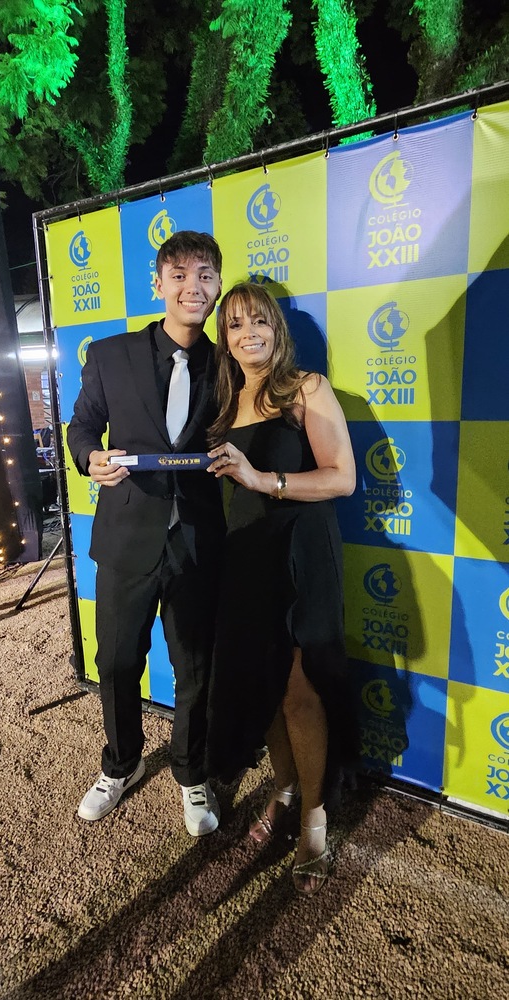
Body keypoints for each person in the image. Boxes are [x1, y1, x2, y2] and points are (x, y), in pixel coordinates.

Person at [67, 231, 226, 836]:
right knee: (116, 661)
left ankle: (191, 772)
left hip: (197, 539)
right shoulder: (111, 354)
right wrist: (90, 458)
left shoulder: (228, 364)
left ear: (217, 285)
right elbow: (81, 426)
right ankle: (121, 764)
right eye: (179, 275)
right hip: (127, 536)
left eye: (205, 275)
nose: (193, 287)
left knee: (195, 667)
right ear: (158, 284)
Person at [205, 283, 358, 896]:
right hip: (246, 558)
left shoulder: (306, 388)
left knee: (300, 692)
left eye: (259, 321)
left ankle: (315, 817)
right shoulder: (224, 402)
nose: (248, 333)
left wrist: (263, 478)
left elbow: (342, 478)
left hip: (302, 553)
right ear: (225, 339)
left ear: (277, 329)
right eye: (235, 324)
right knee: (265, 688)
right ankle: (286, 787)